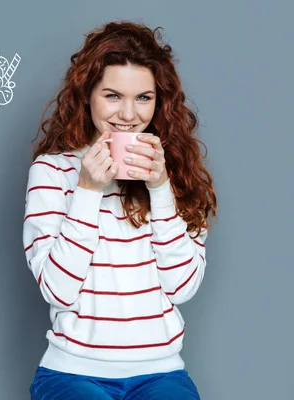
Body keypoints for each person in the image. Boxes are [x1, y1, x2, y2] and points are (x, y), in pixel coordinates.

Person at [23, 20, 218, 399]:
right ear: (87, 96)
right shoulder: (51, 171)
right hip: (70, 373)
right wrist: (87, 190)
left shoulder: (174, 170)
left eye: (143, 98)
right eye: (112, 95)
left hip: (160, 374)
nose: (128, 114)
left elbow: (182, 287)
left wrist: (160, 188)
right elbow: (58, 291)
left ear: (159, 102)